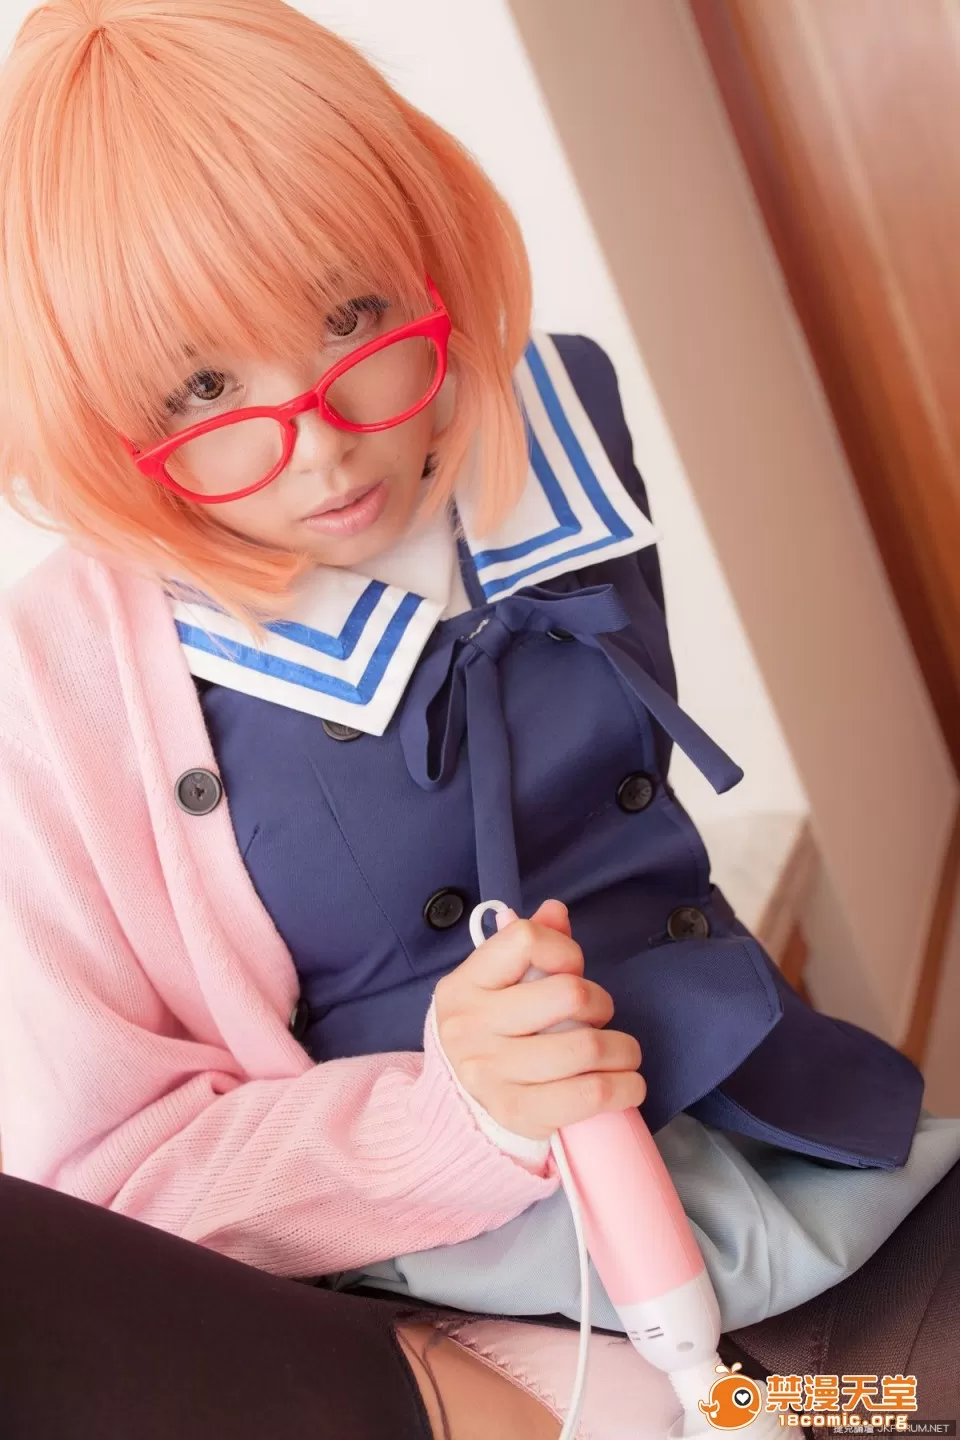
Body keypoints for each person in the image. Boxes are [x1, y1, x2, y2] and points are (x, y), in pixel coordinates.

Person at [0, 2, 957, 1434]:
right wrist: (461, 1117)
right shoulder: (68, 676)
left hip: (773, 1143)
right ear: (102, 414)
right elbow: (108, 1190)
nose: (324, 446)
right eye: (204, 386)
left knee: (892, 1402)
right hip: (466, 1295)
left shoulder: (553, 422)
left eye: (352, 318)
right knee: (850, 1415)